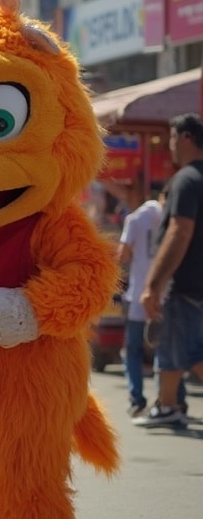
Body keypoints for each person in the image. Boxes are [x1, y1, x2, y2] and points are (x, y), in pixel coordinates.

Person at [135, 113, 203, 427]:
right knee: (174, 349)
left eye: (174, 138)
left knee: (190, 353)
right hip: (194, 285)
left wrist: (153, 284)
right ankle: (168, 405)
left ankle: (168, 405)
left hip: (188, 284)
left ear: (187, 137)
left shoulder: (187, 179)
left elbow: (180, 232)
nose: (171, 145)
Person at [118, 183, 187, 417]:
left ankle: (137, 400)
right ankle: (175, 399)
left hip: (139, 294)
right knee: (168, 349)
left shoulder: (136, 219)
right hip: (168, 294)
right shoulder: (179, 219)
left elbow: (123, 255)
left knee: (134, 350)